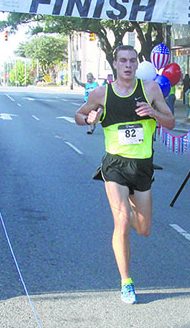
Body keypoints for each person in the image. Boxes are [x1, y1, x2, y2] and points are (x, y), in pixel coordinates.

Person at [75, 45, 175, 304]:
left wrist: (153, 113)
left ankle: (129, 212)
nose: (128, 65)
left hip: (142, 167)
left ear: (136, 64)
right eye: (123, 61)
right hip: (115, 166)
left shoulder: (150, 90)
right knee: (121, 222)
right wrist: (88, 120)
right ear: (116, 64)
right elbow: (79, 114)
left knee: (143, 229)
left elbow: (171, 121)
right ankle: (126, 282)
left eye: (132, 60)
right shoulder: (101, 93)